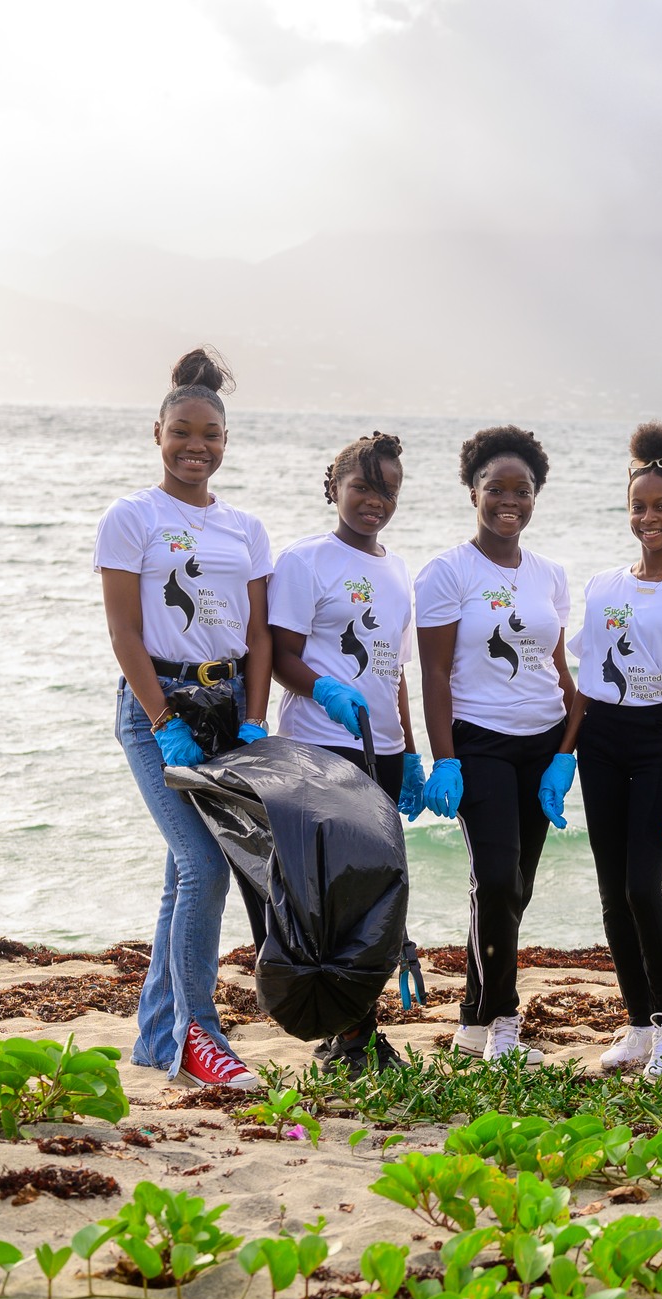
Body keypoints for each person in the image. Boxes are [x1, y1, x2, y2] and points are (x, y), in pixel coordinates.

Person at [94, 347, 271, 1091]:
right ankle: (200, 1035)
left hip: (227, 711)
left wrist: (255, 720)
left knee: (181, 874)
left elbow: (259, 634)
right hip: (155, 708)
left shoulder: (246, 527)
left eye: (212, 434)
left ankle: (155, 1037)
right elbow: (125, 631)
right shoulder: (132, 516)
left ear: (225, 442)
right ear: (158, 432)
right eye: (183, 431)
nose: (197, 445)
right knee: (205, 867)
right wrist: (162, 716)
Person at [413, 426, 576, 1065]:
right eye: (495, 488)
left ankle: (473, 1019)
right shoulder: (448, 571)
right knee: (497, 878)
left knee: (516, 884)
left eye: (523, 490)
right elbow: (432, 673)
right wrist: (444, 756)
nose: (510, 500)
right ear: (472, 491)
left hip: (542, 740)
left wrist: (569, 747)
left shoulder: (549, 575)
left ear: (536, 495)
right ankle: (505, 1024)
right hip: (478, 742)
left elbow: (559, 669)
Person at [559, 424, 662, 1080]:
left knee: (640, 885)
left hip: (658, 739)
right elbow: (586, 679)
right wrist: (563, 753)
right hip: (600, 739)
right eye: (639, 506)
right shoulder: (602, 586)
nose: (649, 516)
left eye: (661, 506)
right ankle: (634, 1025)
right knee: (608, 891)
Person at [262, 430, 422, 1076]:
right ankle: (346, 1035)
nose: (373, 501)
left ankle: (357, 1029)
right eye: (361, 486)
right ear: (334, 487)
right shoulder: (306, 561)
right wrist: (323, 690)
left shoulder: (397, 569)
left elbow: (397, 669)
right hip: (320, 746)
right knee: (333, 896)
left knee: (375, 898)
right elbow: (279, 656)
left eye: (387, 490)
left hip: (378, 749)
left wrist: (409, 751)